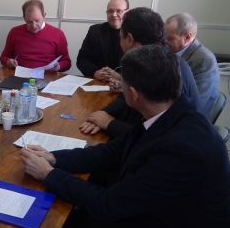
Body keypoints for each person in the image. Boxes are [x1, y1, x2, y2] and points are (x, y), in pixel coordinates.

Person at [20, 45, 230, 228]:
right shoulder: (170, 112)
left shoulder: (182, 149)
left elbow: (109, 204)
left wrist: (49, 174)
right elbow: (110, 152)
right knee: (61, 223)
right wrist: (54, 158)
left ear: (132, 94)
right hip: (153, 222)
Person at [79, 7, 201, 138]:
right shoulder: (156, 57)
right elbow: (125, 98)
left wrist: (110, 124)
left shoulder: (164, 69)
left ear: (130, 39)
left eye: (120, 37)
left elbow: (157, 136)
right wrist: (105, 113)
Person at [165, 12, 219, 120]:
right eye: (164, 37)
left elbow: (195, 103)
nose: (165, 42)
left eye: (170, 39)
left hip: (189, 120)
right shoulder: (170, 52)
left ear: (187, 37)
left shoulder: (204, 60)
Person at [0, 0, 71, 71]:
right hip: (20, 73)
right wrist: (8, 61)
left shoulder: (58, 34)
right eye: (29, 22)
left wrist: (58, 66)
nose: (34, 26)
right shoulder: (14, 32)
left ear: (44, 16)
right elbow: (3, 57)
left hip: (47, 74)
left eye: (37, 20)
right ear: (24, 18)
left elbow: (67, 62)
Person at [76, 0, 129, 80]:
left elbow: (141, 69)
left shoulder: (135, 33)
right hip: (98, 82)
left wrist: (120, 78)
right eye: (110, 11)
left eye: (119, 11)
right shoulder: (95, 31)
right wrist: (94, 72)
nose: (114, 14)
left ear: (128, 12)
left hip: (125, 84)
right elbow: (82, 59)